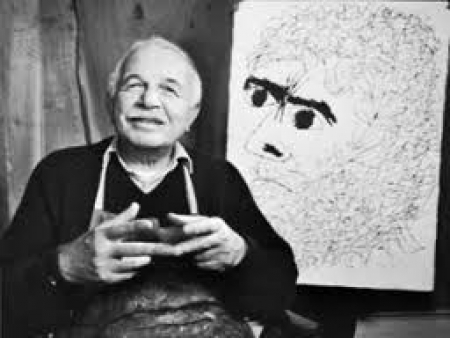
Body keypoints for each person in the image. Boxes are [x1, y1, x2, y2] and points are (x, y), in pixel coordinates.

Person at [0, 35, 298, 337]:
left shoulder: (219, 179)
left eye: (169, 89)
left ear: (192, 114)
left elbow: (281, 289)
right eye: (133, 85)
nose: (149, 101)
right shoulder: (61, 174)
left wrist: (240, 255)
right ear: (111, 101)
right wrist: (64, 266)